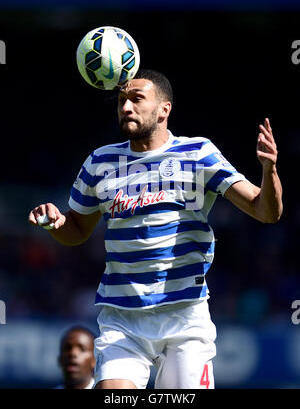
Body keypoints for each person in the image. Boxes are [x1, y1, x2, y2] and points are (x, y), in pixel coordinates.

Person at [29, 69, 283, 389]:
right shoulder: (99, 162)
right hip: (123, 319)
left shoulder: (198, 154)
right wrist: (56, 222)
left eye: (136, 99)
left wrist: (269, 170)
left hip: (185, 319)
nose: (126, 107)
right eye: (121, 100)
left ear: (164, 109)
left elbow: (265, 212)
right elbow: (77, 229)